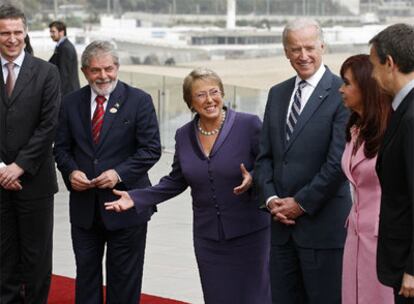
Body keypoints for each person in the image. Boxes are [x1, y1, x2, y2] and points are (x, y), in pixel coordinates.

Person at [105, 67, 271, 304]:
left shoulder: (249, 124)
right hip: (208, 238)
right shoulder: (184, 135)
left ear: (223, 93)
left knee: (255, 297)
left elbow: (269, 164)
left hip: (250, 234)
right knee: (217, 297)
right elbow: (175, 180)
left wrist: (254, 177)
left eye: (214, 92)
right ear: (190, 102)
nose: (209, 99)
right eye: (200, 95)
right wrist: (136, 197)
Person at [53, 40, 161, 303]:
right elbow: (61, 149)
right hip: (84, 210)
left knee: (124, 281)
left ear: (117, 67)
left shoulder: (139, 101)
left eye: (109, 69)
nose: (103, 76)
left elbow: (151, 149)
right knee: (86, 278)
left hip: (126, 206)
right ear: (84, 71)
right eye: (95, 70)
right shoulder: (70, 103)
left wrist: (118, 173)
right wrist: (71, 172)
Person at [255, 18, 352, 304]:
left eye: (309, 47)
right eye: (294, 49)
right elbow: (265, 157)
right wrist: (272, 199)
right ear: (286, 52)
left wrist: (300, 204)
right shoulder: (277, 93)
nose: (303, 55)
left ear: (322, 46)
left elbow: (337, 163)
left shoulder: (341, 93)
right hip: (281, 229)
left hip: (322, 229)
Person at [0, 4, 61, 303]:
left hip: (35, 181)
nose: (12, 39)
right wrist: (2, 168)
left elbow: (49, 125)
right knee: (3, 258)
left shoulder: (47, 72)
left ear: (25, 33)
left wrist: (20, 166)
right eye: (5, 33)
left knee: (37, 259)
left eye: (17, 32)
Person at [339, 54, 394, 304]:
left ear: (366, 86)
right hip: (355, 237)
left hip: (384, 238)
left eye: (347, 83)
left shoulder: (393, 129)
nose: (341, 89)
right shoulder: (354, 128)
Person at [369, 23, 414, 304]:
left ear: (389, 63)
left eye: (374, 66)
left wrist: (412, 268)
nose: (372, 75)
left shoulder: (411, 119)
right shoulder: (404, 109)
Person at [49, 20, 80, 96]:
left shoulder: (65, 48)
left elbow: (64, 74)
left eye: (53, 32)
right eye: (50, 32)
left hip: (68, 92)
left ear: (61, 32)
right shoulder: (62, 46)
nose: (51, 34)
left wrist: (59, 94)